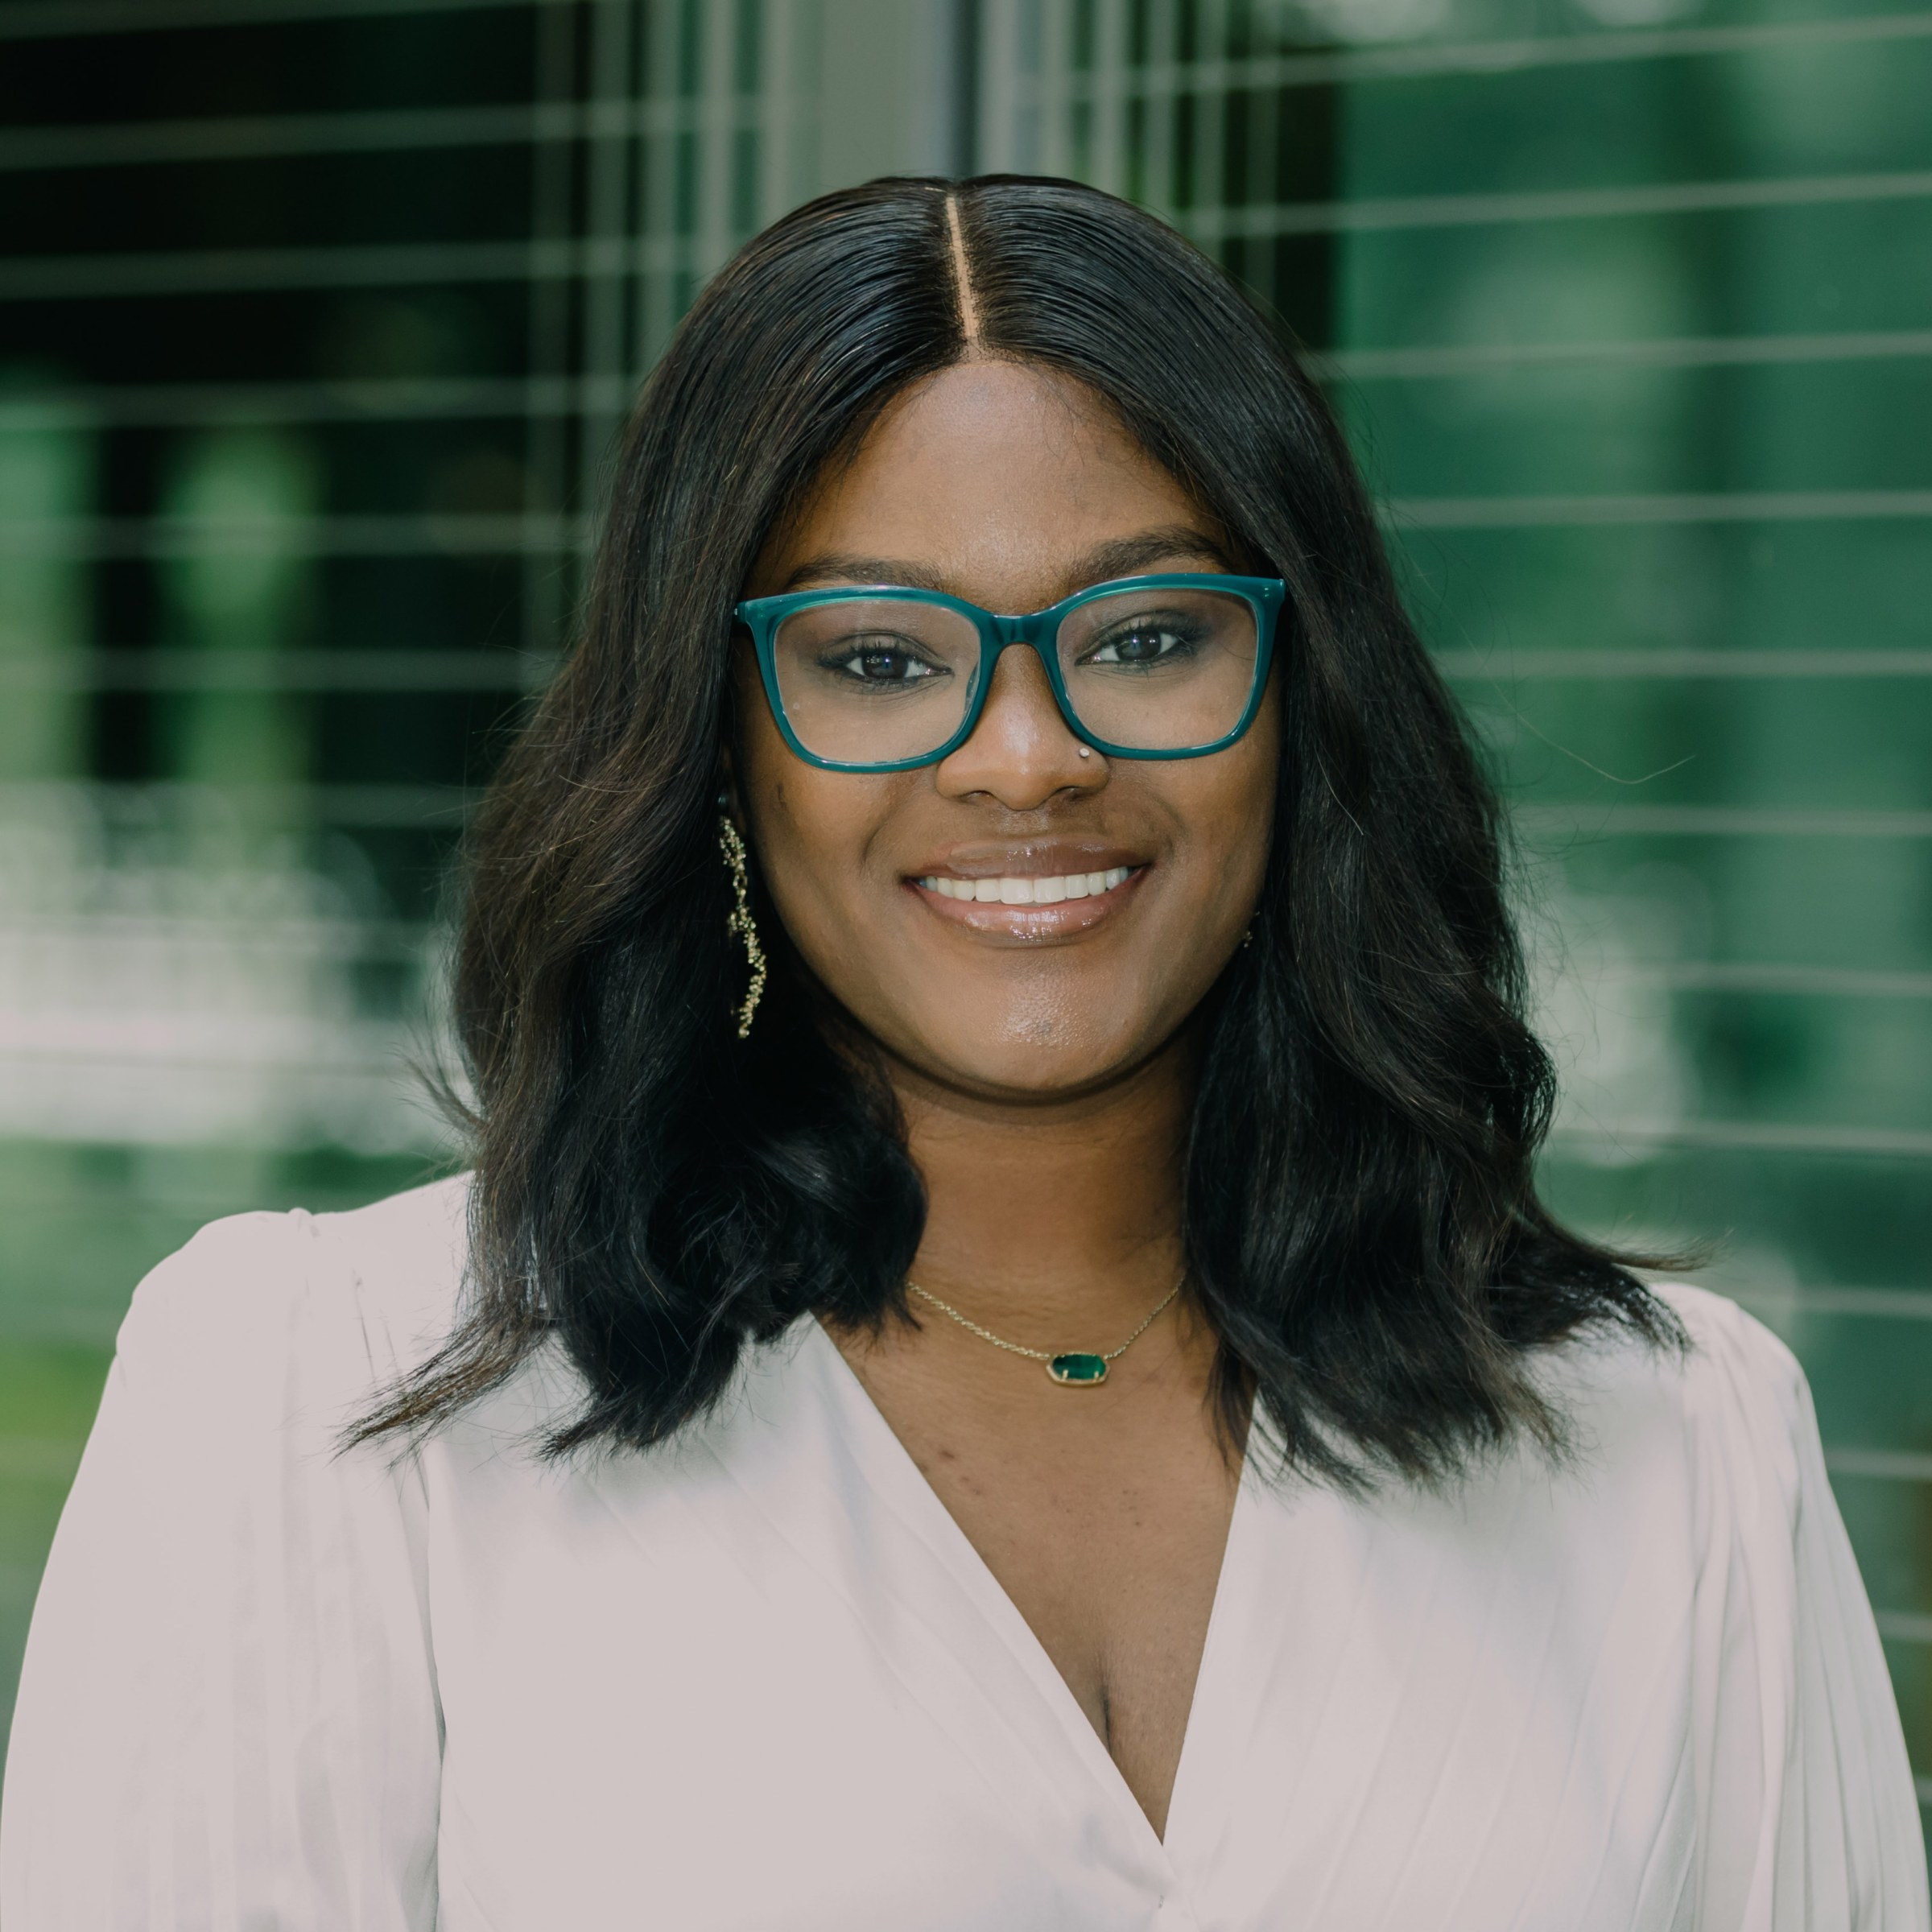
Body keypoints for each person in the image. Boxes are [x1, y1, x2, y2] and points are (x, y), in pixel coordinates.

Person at [2, 175, 1924, 1931]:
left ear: (1299, 702)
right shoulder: (348, 1402)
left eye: (1149, 633)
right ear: (719, 746)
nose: (1026, 756)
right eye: (879, 660)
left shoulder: (1670, 1447)